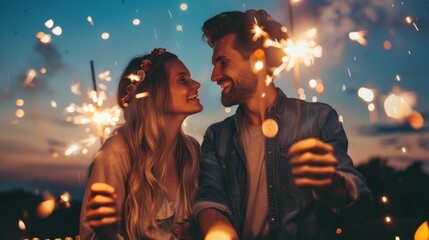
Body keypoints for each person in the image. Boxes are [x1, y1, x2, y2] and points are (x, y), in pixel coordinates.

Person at [192, 10, 373, 240]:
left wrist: (332, 186)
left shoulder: (318, 119)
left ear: (258, 60)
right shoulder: (217, 136)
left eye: (223, 62)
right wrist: (216, 228)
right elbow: (210, 195)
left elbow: (361, 207)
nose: (214, 76)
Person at [80, 48, 203, 240]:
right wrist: (107, 233)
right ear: (153, 93)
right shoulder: (117, 152)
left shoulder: (192, 151)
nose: (196, 84)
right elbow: (91, 235)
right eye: (182, 79)